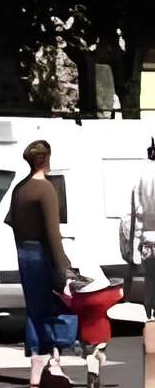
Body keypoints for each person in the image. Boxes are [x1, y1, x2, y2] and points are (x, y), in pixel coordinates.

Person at [11, 140, 75, 387]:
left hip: (24, 253)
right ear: (46, 159)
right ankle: (50, 362)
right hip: (42, 254)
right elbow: (53, 233)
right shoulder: (46, 189)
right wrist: (64, 267)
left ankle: (42, 363)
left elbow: (13, 224)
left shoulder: (20, 189)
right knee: (57, 308)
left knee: (35, 308)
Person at [123, 135, 155, 388]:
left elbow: (133, 215)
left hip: (148, 244)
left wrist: (134, 249)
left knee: (151, 301)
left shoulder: (141, 176)